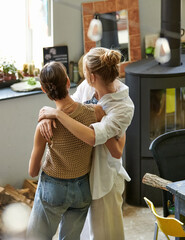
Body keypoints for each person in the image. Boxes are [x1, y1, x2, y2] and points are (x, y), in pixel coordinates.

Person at [38, 47, 134, 240]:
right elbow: (69, 107)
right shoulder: (87, 87)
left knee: (105, 236)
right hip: (82, 176)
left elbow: (93, 136)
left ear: (91, 75)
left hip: (104, 178)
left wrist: (56, 114)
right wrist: (48, 116)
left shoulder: (123, 106)